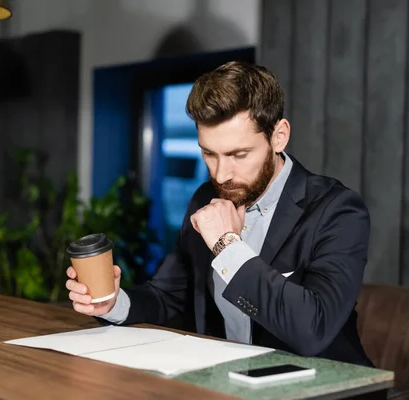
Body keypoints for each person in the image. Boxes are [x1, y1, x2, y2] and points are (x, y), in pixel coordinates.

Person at [66, 61, 373, 366]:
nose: (221, 174)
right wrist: (113, 304)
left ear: (279, 136)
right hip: (230, 383)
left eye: (239, 154)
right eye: (209, 153)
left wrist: (227, 246)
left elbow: (313, 329)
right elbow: (166, 296)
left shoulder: (337, 210)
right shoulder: (205, 199)